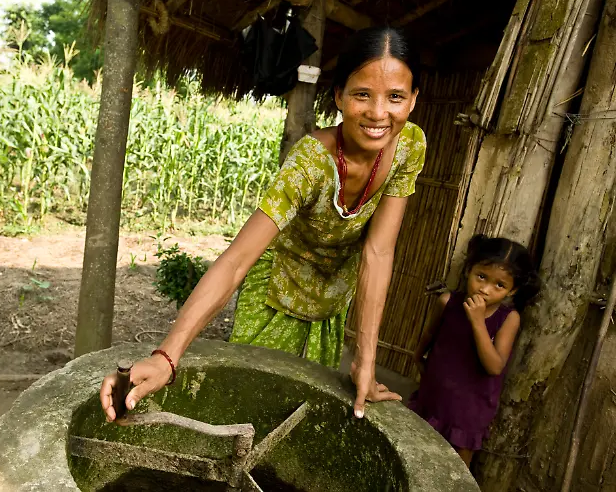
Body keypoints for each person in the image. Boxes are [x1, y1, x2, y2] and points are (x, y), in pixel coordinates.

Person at [101, 26, 427, 422]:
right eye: (362, 94)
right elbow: (238, 259)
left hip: (332, 297)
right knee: (247, 407)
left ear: (412, 100)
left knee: (301, 415)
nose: (379, 113)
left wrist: (365, 359)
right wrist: (167, 356)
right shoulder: (310, 163)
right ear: (338, 96)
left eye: (395, 97)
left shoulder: (410, 146)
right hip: (277, 289)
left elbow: (378, 250)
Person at [409, 235, 541, 467]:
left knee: (458, 464)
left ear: (512, 290)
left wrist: (478, 322)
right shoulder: (447, 302)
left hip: (470, 407)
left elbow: (495, 366)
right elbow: (430, 335)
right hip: (435, 395)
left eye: (499, 285)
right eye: (481, 277)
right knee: (417, 450)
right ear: (469, 270)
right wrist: (418, 357)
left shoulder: (508, 319)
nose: (485, 289)